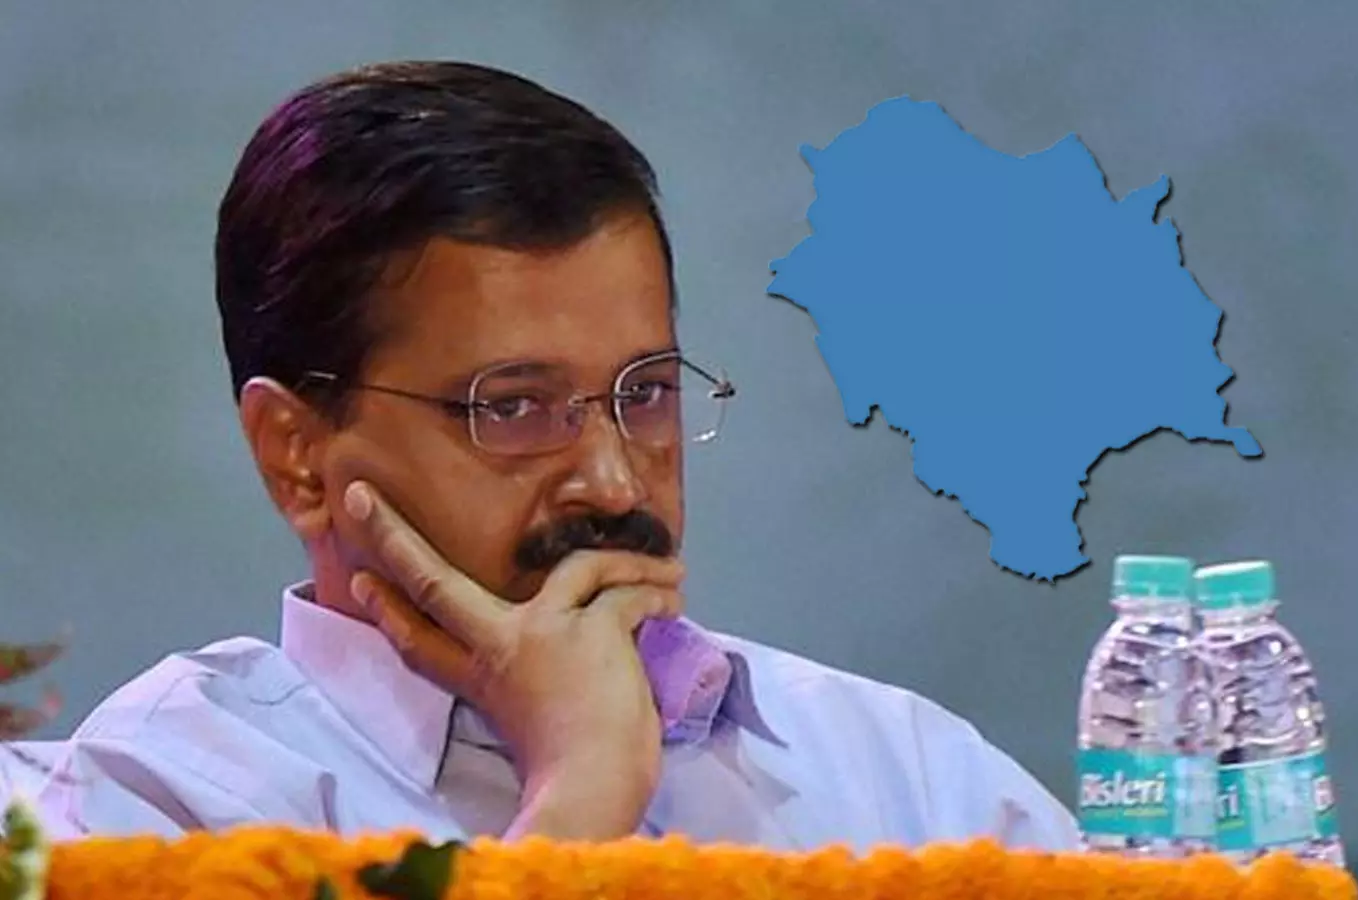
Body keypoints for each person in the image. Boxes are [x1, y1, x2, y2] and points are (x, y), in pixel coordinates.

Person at [30, 60, 1078, 851]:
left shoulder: (909, 777)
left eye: (646, 394)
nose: (614, 483)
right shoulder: (167, 803)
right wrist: (576, 799)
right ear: (296, 457)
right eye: (516, 408)